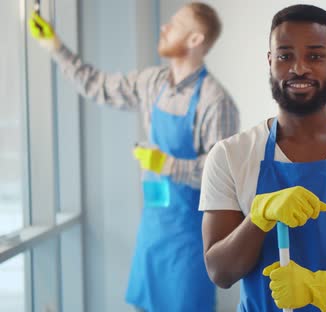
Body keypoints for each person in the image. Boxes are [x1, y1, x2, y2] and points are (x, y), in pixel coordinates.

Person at [29, 3, 239, 311]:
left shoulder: (214, 101)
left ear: (195, 39)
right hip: (152, 235)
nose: (164, 28)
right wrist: (56, 47)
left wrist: (167, 165)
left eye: (176, 24)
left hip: (190, 242)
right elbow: (96, 85)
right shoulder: (151, 83)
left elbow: (221, 175)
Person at [199, 5, 326, 311]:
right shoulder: (230, 155)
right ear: (270, 62)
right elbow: (221, 272)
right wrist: (258, 219)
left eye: (315, 55)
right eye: (285, 55)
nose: (299, 68)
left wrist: (319, 286)